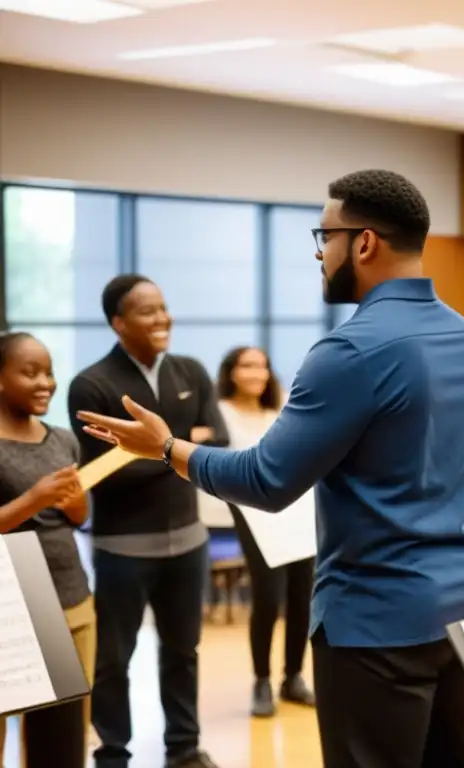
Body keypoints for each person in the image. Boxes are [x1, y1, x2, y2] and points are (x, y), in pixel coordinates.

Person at [76, 170, 464, 768]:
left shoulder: (351, 351)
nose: (321, 255)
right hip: (462, 607)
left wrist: (166, 447)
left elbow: (266, 481)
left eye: (324, 238)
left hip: (376, 619)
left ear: (365, 243)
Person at [67, 275, 228, 768]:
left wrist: (153, 450)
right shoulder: (92, 384)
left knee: (184, 650)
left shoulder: (192, 371)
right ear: (118, 322)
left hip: (189, 542)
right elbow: (105, 475)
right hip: (123, 549)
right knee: (114, 659)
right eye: (147, 311)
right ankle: (113, 752)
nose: (163, 318)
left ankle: (184, 747)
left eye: (164, 307)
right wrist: (181, 446)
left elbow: (217, 440)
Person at [0, 332, 92, 767]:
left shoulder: (63, 439)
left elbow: (78, 518)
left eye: (49, 372)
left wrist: (76, 505)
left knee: (62, 740)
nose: (45, 383)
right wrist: (32, 500)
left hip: (70, 601)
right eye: (29, 372)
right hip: (9, 610)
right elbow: (28, 509)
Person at [215, 346, 316, 717]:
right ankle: (261, 679)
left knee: (303, 595)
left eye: (262, 366)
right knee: (268, 597)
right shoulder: (219, 412)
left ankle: (293, 677)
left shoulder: (283, 405)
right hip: (251, 511)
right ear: (231, 372)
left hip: (296, 508)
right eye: (247, 366)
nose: (257, 373)